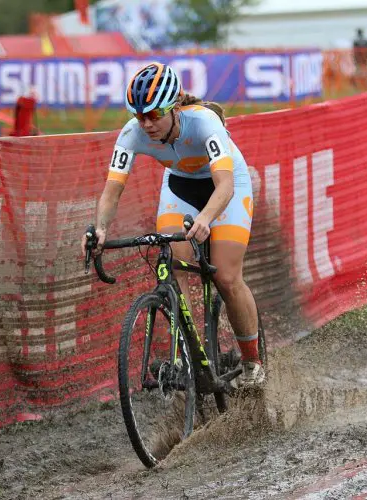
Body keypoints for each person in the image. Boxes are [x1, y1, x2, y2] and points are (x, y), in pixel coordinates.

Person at [81, 62, 265, 387]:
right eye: (140, 116)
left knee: (226, 276)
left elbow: (225, 186)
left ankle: (252, 363)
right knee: (173, 266)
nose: (147, 124)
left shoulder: (204, 122)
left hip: (225, 187)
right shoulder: (131, 134)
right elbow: (112, 191)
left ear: (174, 107)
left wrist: (207, 218)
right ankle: (193, 359)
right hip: (180, 187)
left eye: (154, 114)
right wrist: (99, 229)